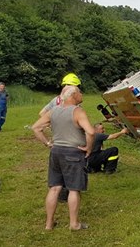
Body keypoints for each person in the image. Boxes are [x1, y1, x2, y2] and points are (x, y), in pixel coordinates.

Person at [31, 85, 95, 231]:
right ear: (73, 95)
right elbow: (90, 132)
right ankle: (74, 224)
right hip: (73, 153)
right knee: (74, 189)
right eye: (79, 92)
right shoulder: (78, 111)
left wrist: (48, 143)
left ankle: (48, 224)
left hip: (56, 152)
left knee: (54, 188)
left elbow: (36, 128)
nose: (81, 94)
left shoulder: (53, 111)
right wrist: (88, 148)